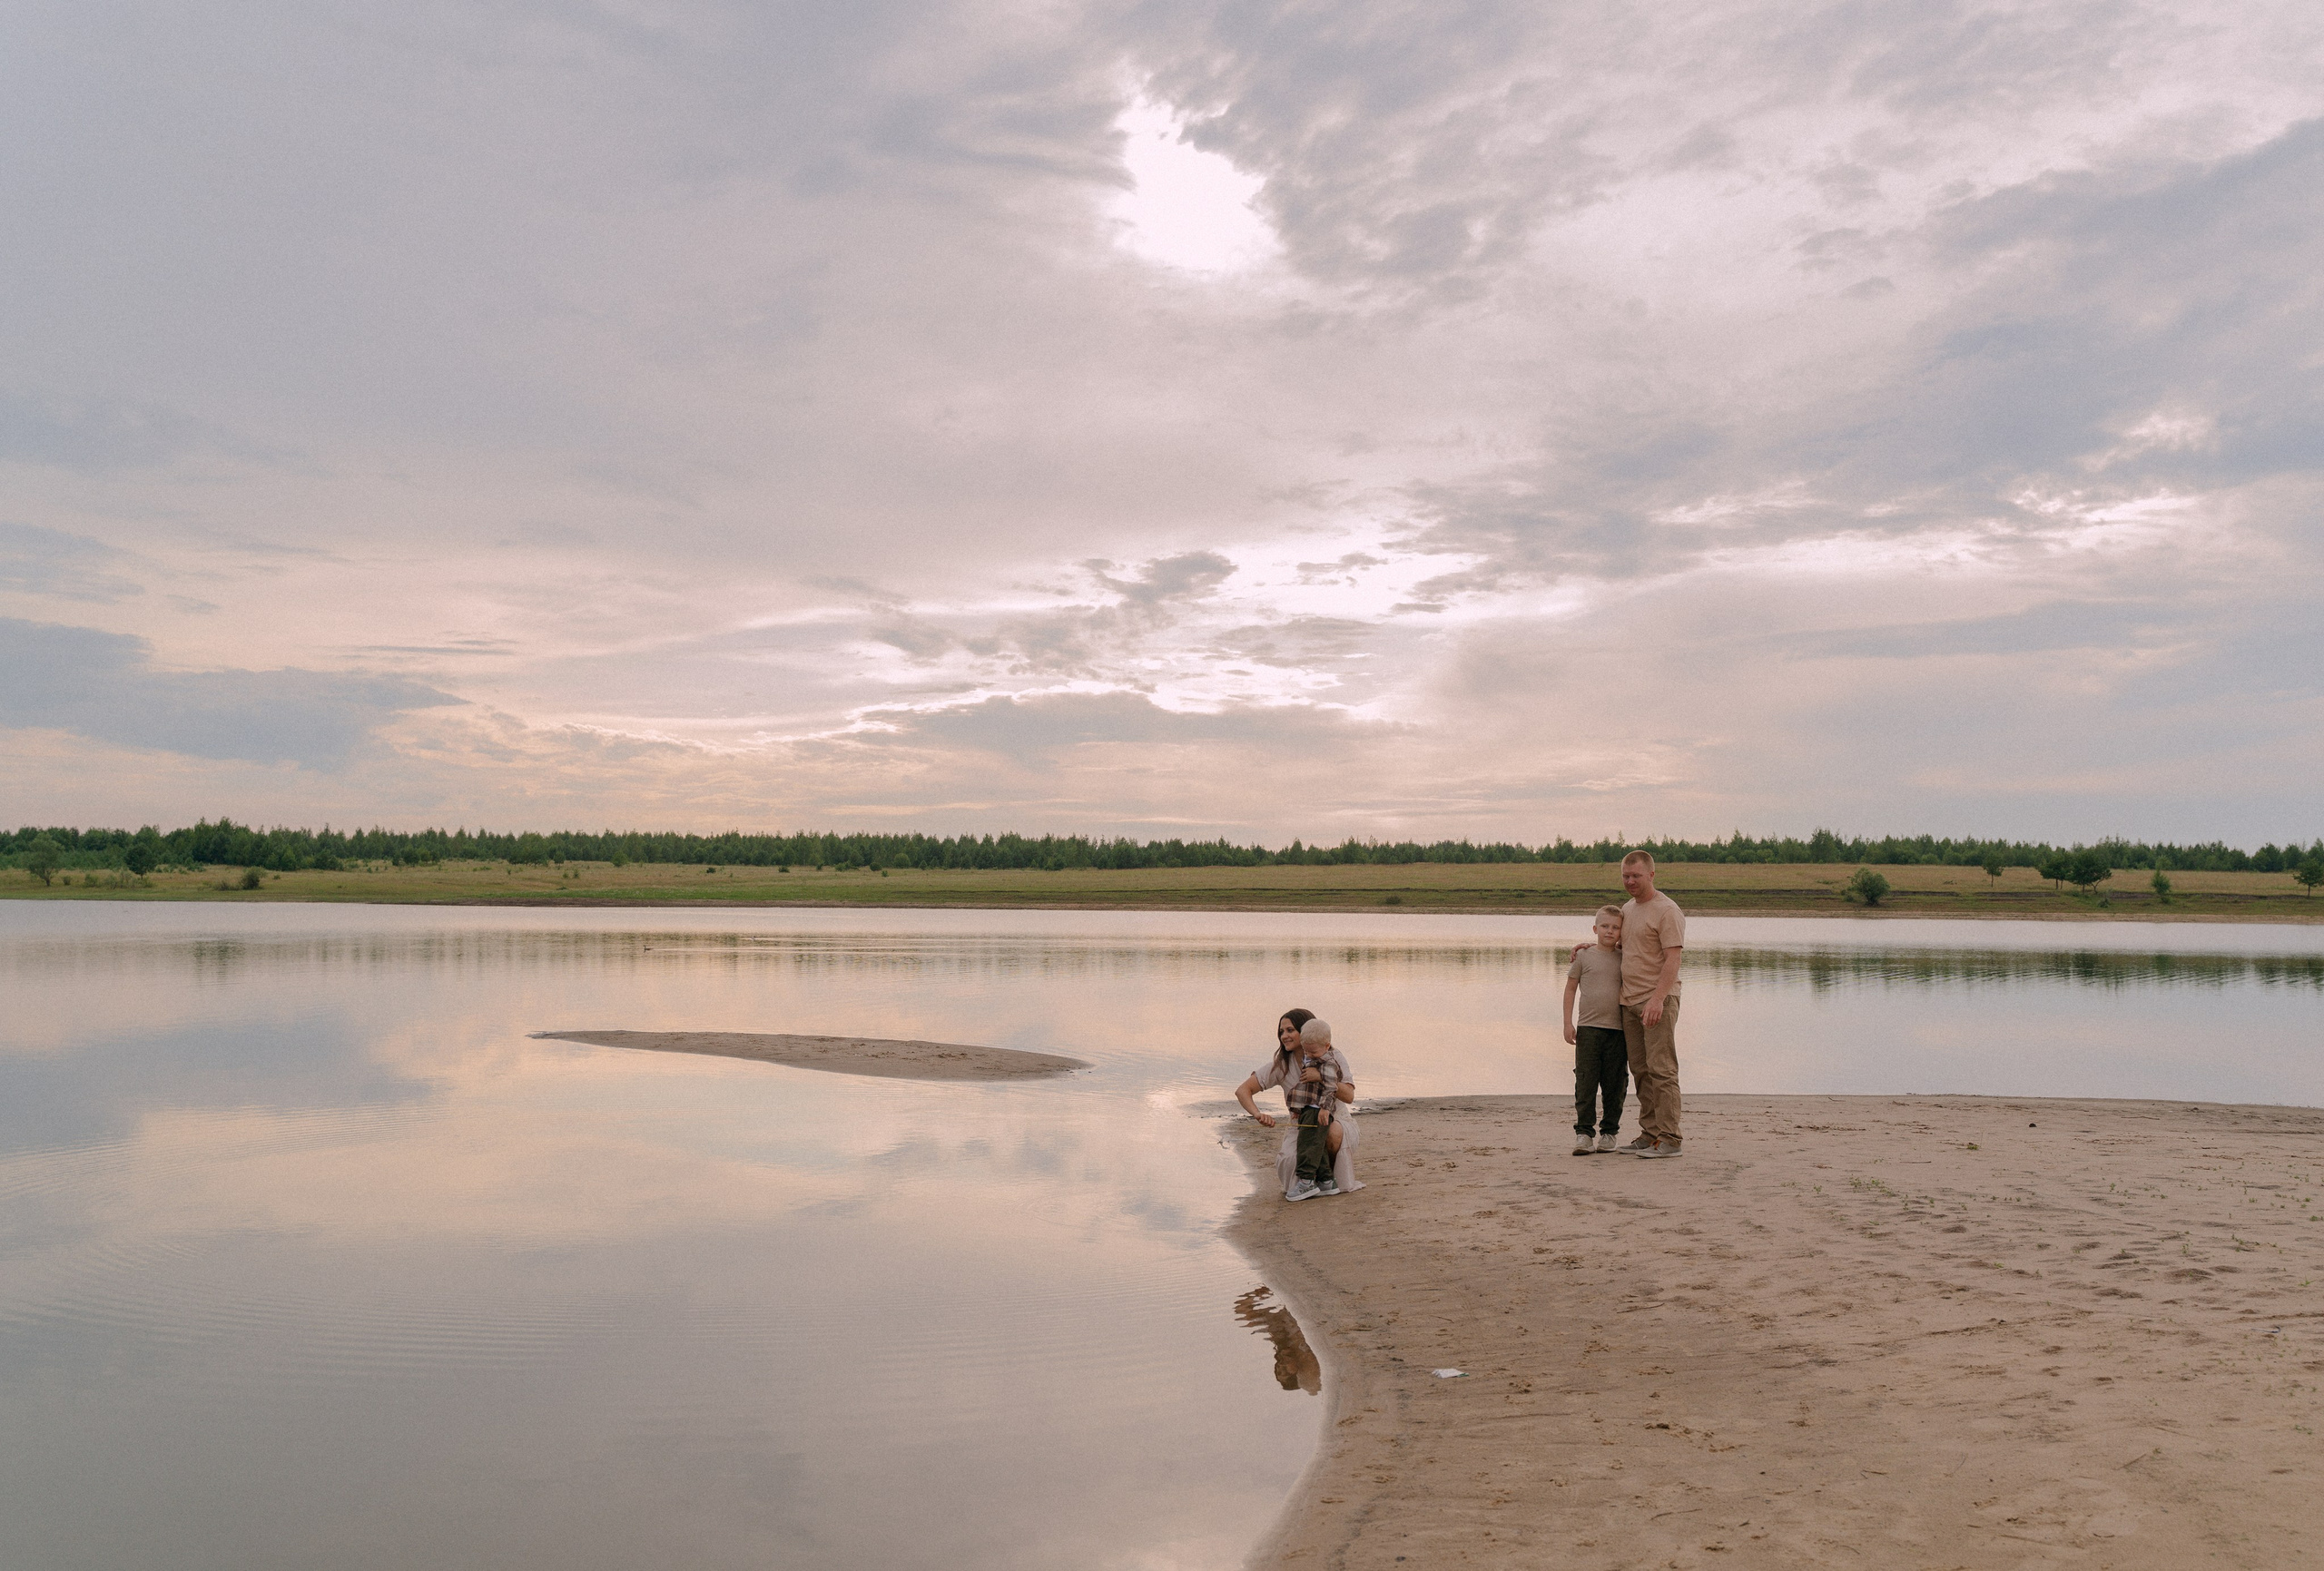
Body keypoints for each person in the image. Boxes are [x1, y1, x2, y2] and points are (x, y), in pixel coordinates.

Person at [1235, 1008, 1362, 1199]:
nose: (1284, 1036)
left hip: (1336, 1123)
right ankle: (1312, 1181)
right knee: (1290, 1162)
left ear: (1306, 1031)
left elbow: (1349, 1096)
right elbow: (1243, 1091)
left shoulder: (1333, 1057)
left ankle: (1327, 1179)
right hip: (1302, 1125)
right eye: (1281, 1032)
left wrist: (1321, 1077)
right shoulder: (1282, 1065)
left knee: (1329, 1129)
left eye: (1290, 1030)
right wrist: (1258, 1115)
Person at [1616, 850, 1687, 1157]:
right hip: (1629, 1001)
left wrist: (1657, 999)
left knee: (1662, 1070)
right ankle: (1650, 1133)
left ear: (1652, 875)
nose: (1630, 881)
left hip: (1656, 1000)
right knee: (1641, 1071)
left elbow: (1673, 958)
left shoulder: (1667, 910)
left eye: (1636, 876)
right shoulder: (1628, 909)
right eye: (1626, 876)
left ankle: (1670, 1139)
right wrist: (1589, 948)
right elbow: (1624, 947)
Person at [1562, 904, 1628, 1154]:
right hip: (1588, 1028)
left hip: (1618, 1030)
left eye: (1615, 927)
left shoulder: (1625, 958)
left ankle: (1609, 1133)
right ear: (1595, 929)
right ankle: (1584, 1134)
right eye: (1605, 926)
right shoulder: (1584, 956)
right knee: (1585, 1082)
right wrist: (1568, 1023)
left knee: (1615, 1083)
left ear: (1622, 932)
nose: (1610, 931)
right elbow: (1570, 989)